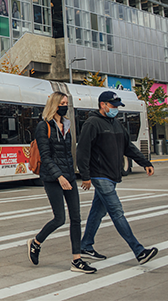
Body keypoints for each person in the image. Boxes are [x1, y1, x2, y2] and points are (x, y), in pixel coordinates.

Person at [77, 91, 158, 265]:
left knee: (97, 212)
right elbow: (83, 151)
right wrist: (85, 176)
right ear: (103, 105)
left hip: (113, 175)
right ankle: (139, 251)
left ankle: (85, 246)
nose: (116, 109)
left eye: (117, 107)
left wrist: (145, 162)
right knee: (117, 212)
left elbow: (128, 147)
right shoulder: (92, 123)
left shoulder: (117, 124)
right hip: (100, 175)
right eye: (113, 106)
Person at [27, 93, 96, 273]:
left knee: (76, 218)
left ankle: (77, 259)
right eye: (61, 103)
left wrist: (76, 174)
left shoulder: (66, 125)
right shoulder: (44, 126)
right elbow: (46, 156)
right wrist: (59, 176)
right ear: (53, 105)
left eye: (66, 103)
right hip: (52, 178)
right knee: (59, 219)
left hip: (69, 176)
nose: (64, 106)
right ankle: (36, 242)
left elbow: (69, 153)